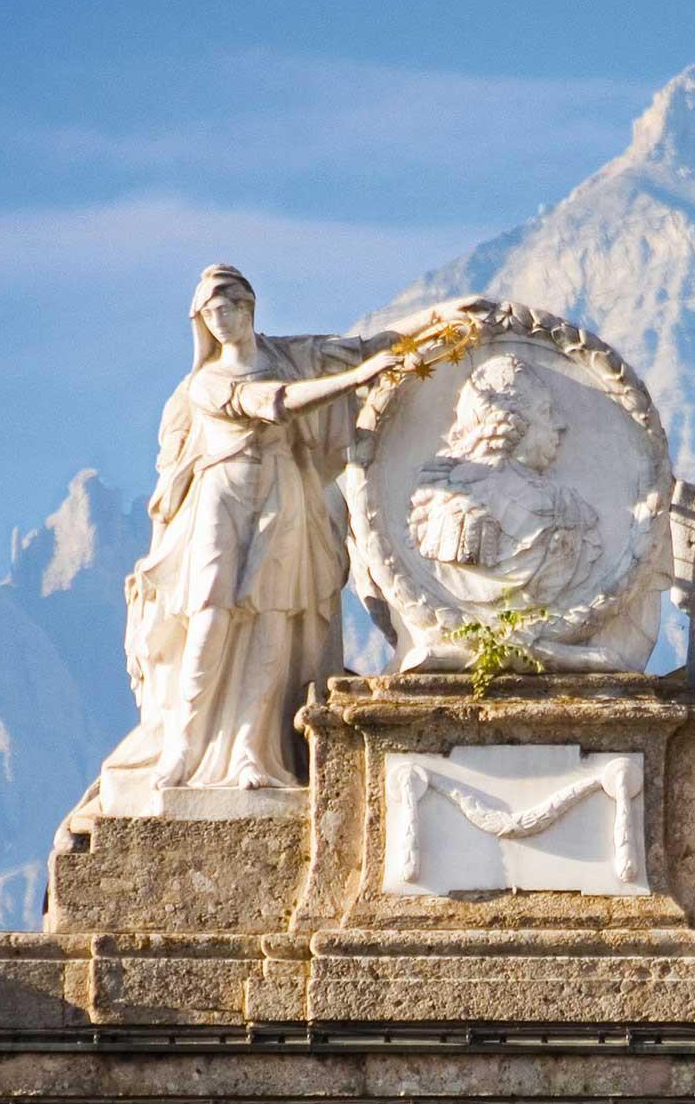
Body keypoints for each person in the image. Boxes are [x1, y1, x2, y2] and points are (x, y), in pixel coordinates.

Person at [100, 266, 474, 800]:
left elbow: (365, 345)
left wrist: (438, 319)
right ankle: (185, 744)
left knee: (273, 620)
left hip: (283, 497)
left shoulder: (288, 356)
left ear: (248, 306)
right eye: (209, 312)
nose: (220, 319)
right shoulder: (207, 382)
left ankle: (255, 748)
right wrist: (359, 378)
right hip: (221, 499)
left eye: (228, 307)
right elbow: (272, 403)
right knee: (210, 615)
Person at [407, 354, 600, 610]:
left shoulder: (566, 506)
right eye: (546, 412)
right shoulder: (453, 507)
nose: (560, 424)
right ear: (514, 421)